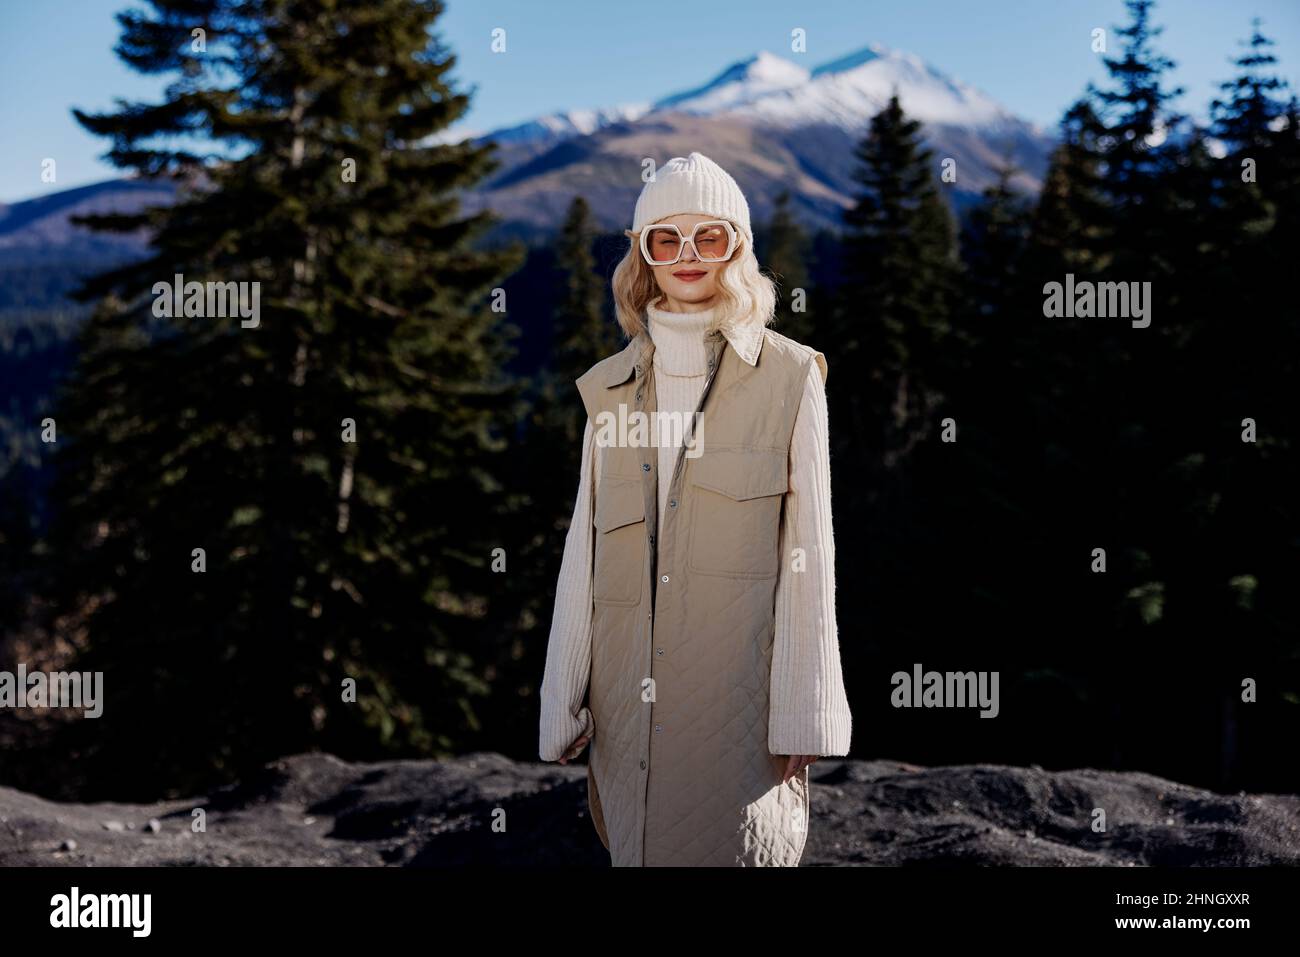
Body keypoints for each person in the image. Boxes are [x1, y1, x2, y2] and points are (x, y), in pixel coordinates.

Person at [539, 152, 851, 866]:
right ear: (643, 253)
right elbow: (582, 556)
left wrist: (807, 711)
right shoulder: (608, 390)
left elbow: (811, 551)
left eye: (708, 236)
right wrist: (562, 699)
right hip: (623, 710)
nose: (687, 255)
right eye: (665, 238)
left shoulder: (791, 376)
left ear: (737, 247)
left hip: (736, 708)